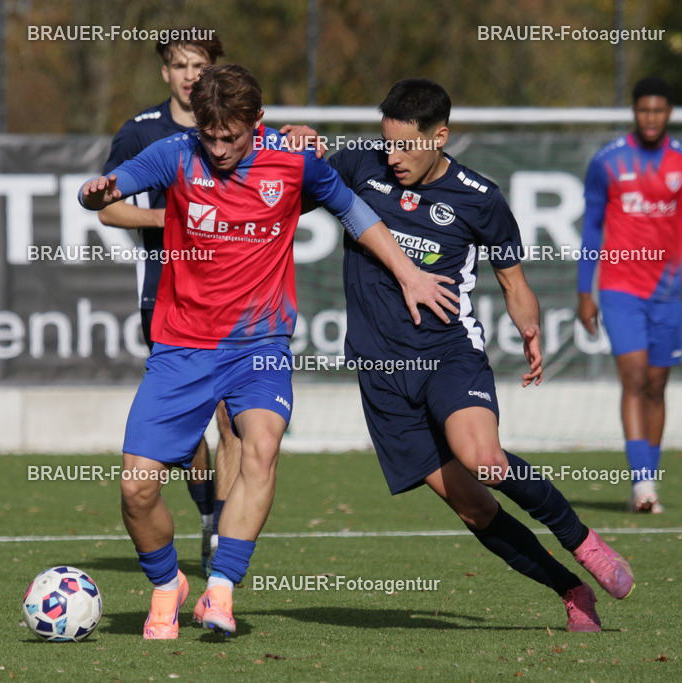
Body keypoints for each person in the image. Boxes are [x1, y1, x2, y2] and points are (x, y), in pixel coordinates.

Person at [79, 65, 458, 639]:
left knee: (260, 445)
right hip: (182, 345)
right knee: (137, 487)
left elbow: (354, 211)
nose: (221, 148)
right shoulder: (175, 153)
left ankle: (221, 589)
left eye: (232, 137)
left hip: (260, 343)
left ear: (258, 124)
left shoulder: (292, 158)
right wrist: (96, 193)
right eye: (210, 136)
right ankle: (166, 583)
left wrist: (408, 274)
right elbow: (109, 191)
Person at [327, 78, 634, 631]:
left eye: (406, 146)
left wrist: (530, 326)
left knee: (484, 459)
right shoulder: (357, 166)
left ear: (440, 136)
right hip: (379, 372)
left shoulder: (480, 197)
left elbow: (513, 281)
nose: (392, 157)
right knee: (475, 508)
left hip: (448, 352)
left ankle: (582, 541)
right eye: (386, 143)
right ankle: (571, 590)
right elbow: (289, 180)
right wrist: (293, 143)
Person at [96, 30, 227, 574]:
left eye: (199, 64)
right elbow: (107, 208)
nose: (190, 74)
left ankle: (224, 524)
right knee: (190, 424)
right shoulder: (143, 132)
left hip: (233, 294)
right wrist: (168, 220)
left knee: (235, 417)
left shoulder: (231, 125)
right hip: (168, 292)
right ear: (165, 73)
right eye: (179, 65)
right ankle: (204, 509)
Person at [578, 77, 682, 513]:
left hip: (668, 292)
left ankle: (649, 481)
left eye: (658, 111)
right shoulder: (607, 161)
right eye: (643, 110)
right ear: (634, 112)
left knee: (658, 385)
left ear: (669, 113)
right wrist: (582, 291)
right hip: (619, 288)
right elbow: (590, 229)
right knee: (635, 379)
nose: (650, 118)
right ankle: (642, 485)